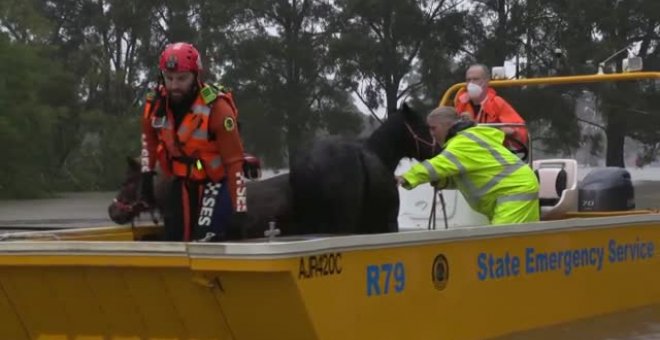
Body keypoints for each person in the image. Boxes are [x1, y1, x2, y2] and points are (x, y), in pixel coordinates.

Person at [139, 42, 251, 242]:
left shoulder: (217, 108)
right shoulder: (155, 103)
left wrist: (239, 209)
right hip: (181, 181)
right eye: (169, 78)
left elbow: (234, 162)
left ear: (195, 76)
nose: (174, 86)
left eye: (182, 79)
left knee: (205, 239)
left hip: (215, 181)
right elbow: (148, 139)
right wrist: (147, 176)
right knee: (174, 239)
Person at [396, 106, 540, 225]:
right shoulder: (470, 137)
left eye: (433, 128)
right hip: (514, 189)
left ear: (448, 126)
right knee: (511, 247)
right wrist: (445, 181)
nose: (431, 134)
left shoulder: (461, 144)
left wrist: (405, 177)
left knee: (499, 247)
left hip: (515, 191)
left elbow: (435, 165)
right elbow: (469, 176)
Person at [454, 63, 529, 148]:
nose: (471, 83)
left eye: (476, 79)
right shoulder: (461, 104)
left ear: (487, 81)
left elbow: (520, 131)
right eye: (468, 80)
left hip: (493, 153)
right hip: (467, 151)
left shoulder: (497, 103)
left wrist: (508, 131)